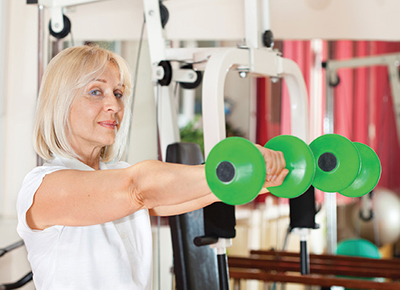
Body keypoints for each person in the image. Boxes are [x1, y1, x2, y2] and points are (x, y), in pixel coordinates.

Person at [16, 45, 288, 290]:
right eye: (96, 92)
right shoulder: (42, 186)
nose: (114, 105)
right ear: (61, 102)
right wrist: (234, 168)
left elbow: (182, 195)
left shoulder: (116, 172)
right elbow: (138, 188)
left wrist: (256, 177)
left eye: (118, 93)